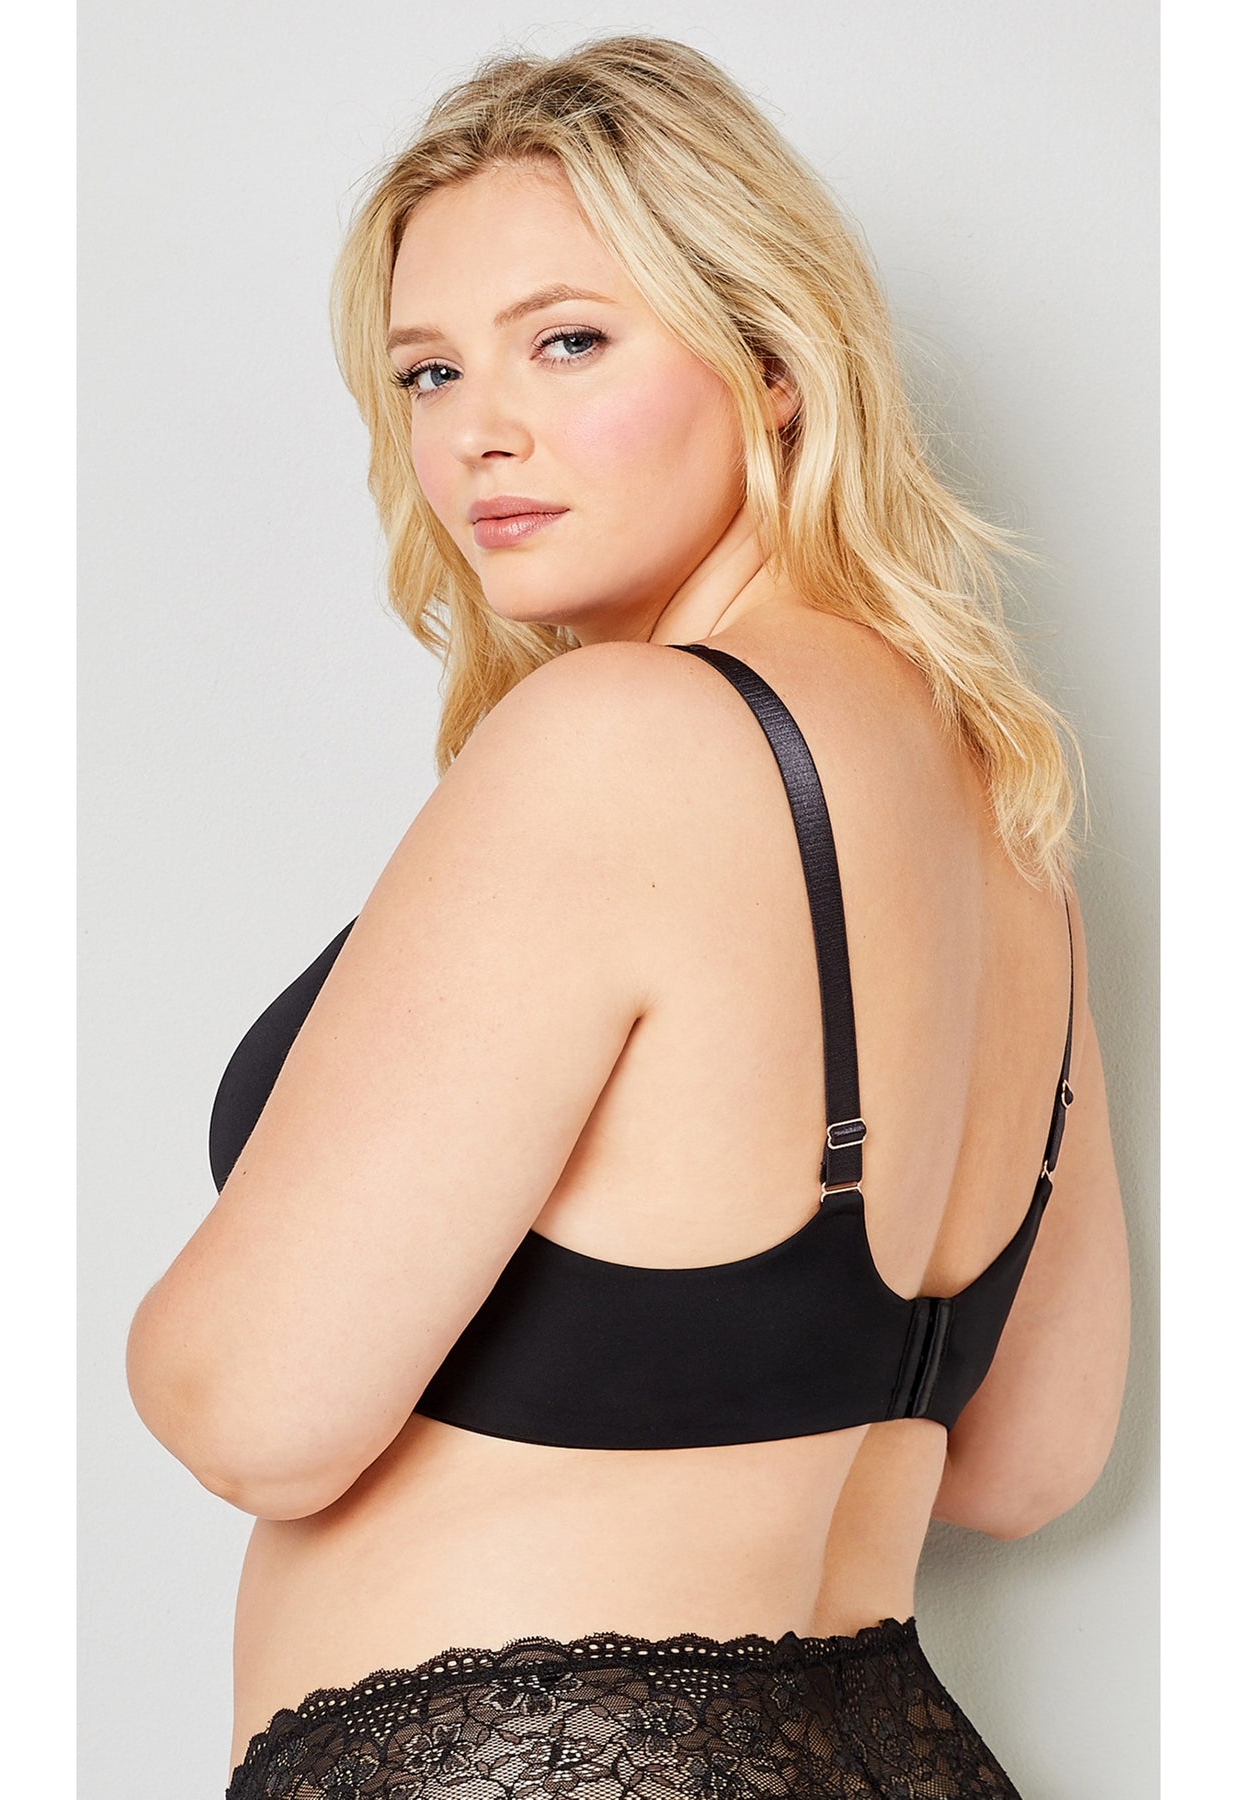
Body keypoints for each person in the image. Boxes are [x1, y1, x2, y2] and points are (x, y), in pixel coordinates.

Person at [125, 33, 1131, 1798]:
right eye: (428, 371)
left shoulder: (618, 740)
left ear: (774, 362)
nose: (478, 431)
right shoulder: (1006, 811)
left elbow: (255, 1412)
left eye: (569, 340)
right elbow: (1024, 1457)